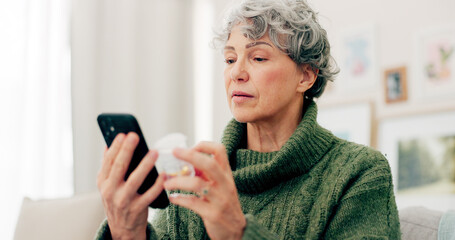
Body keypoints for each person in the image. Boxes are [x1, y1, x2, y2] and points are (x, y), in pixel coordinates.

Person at [95, 0, 401, 239]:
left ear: (306, 76)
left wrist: (237, 233)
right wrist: (126, 233)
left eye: (258, 58)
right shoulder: (194, 176)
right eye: (230, 59)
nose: (236, 73)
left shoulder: (358, 173)